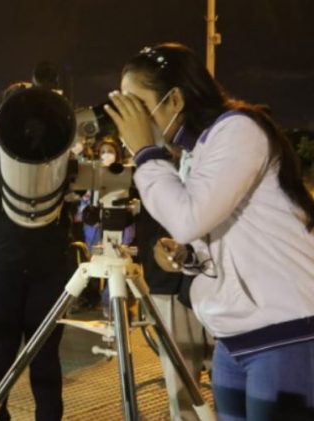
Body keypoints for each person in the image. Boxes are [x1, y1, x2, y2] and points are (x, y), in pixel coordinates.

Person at [106, 43, 314, 420]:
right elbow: (210, 233)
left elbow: (189, 218)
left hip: (284, 333)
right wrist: (187, 257)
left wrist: (145, 153)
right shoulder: (194, 152)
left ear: (174, 99)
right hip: (232, 338)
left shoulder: (238, 130)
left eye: (136, 105)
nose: (130, 119)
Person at [0, 83, 73, 420]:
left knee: (45, 354)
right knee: (0, 350)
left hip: (48, 267)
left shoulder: (55, 151)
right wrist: (1, 147)